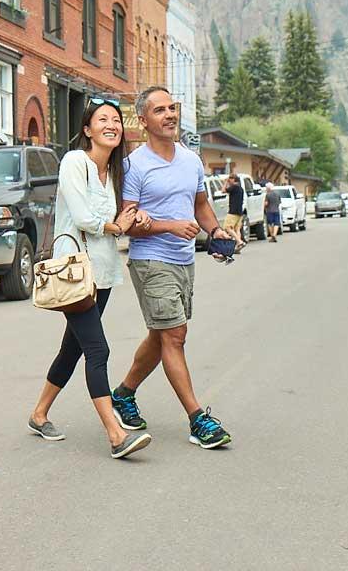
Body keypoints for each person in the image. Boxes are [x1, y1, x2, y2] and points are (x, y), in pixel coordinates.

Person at [28, 98, 153, 460]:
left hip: (102, 273)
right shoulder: (74, 162)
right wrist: (115, 225)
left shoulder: (114, 175)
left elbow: (122, 216)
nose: (112, 124)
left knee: (74, 348)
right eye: (103, 119)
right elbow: (83, 216)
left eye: (116, 119)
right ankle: (116, 436)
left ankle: (39, 414)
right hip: (74, 273)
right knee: (98, 350)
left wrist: (135, 219)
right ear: (87, 129)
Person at [111, 85, 234, 450]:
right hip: (151, 260)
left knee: (160, 335)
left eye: (172, 107)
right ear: (144, 120)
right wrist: (169, 226)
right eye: (160, 110)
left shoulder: (191, 160)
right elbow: (127, 223)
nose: (170, 115)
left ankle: (123, 394)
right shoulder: (135, 165)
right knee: (175, 335)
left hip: (183, 260)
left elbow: (199, 204)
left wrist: (215, 230)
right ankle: (198, 419)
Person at [223, 171, 246, 253]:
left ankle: (239, 242)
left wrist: (225, 182)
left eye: (230, 179)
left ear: (234, 179)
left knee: (227, 227)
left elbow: (223, 190)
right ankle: (238, 247)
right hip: (240, 211)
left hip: (233, 211)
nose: (229, 180)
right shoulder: (240, 188)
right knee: (237, 229)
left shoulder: (234, 187)